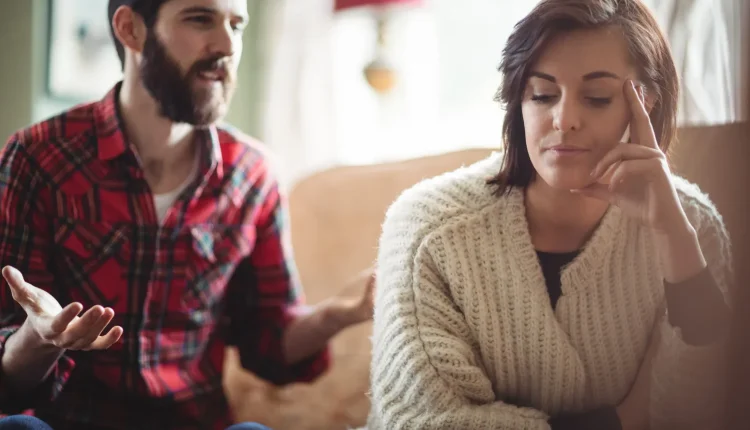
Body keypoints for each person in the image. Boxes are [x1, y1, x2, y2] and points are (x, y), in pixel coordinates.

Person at [0, 0, 375, 429]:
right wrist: (39, 337)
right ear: (131, 30)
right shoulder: (38, 157)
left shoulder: (252, 175)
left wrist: (341, 312)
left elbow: (268, 344)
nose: (227, 45)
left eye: (236, 25)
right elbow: (8, 371)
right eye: (200, 19)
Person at [366, 0, 732, 429]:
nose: (564, 119)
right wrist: (616, 423)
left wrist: (676, 241)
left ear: (646, 103)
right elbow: (419, 421)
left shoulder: (693, 227)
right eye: (542, 95)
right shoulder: (427, 229)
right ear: (518, 101)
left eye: (597, 98)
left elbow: (703, 412)